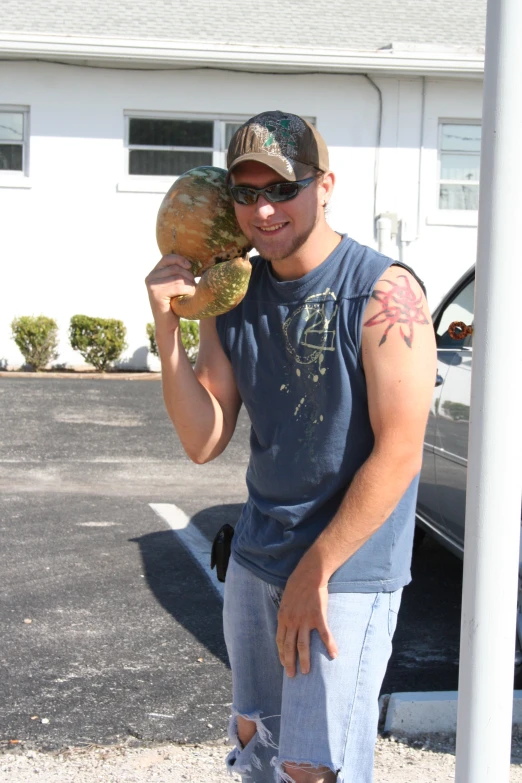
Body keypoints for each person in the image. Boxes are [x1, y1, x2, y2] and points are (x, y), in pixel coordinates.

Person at [145, 111, 436, 783]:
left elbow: (400, 452)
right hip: (257, 561)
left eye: (283, 188)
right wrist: (167, 329)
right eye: (245, 193)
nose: (264, 208)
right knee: (257, 746)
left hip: (345, 573)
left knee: (313, 768)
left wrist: (317, 569)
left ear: (324, 184)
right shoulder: (234, 296)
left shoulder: (383, 292)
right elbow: (204, 437)